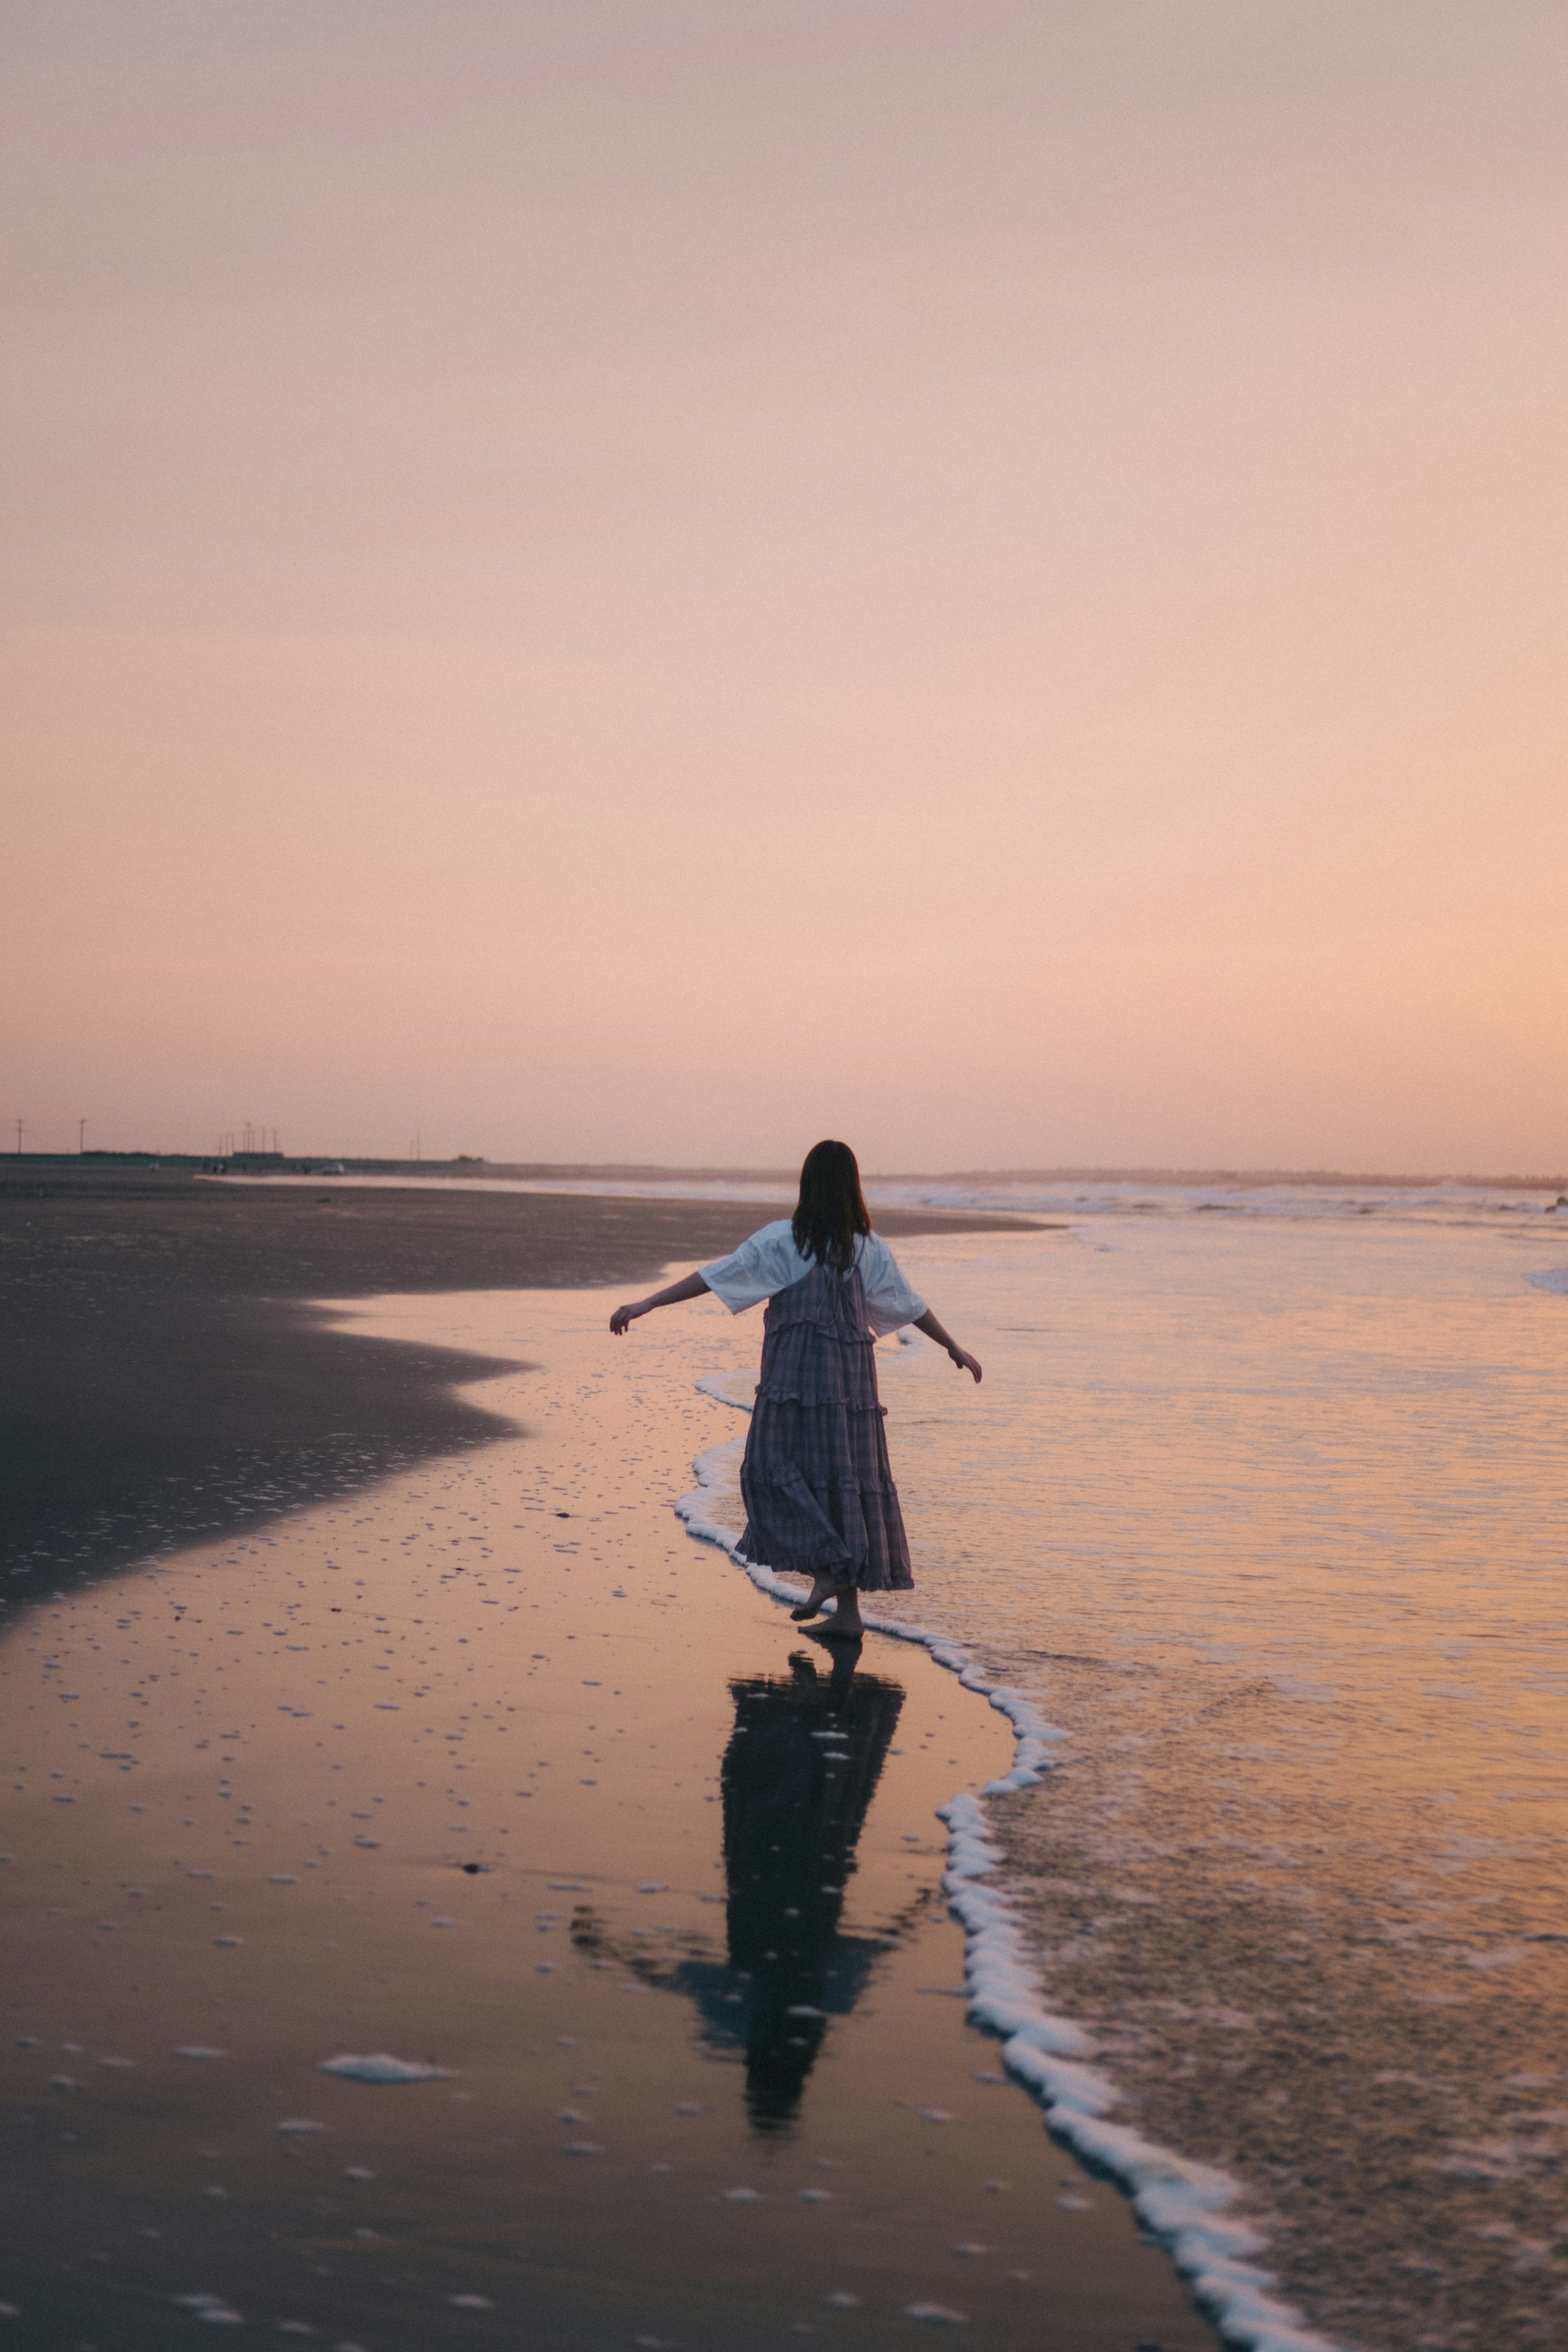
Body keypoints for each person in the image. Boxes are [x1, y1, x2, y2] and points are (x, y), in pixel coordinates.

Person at [608, 1140, 982, 1637]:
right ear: (854, 1187)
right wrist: (953, 1347)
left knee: (767, 1469)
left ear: (807, 1185)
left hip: (795, 1378)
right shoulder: (866, 1247)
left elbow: (715, 1276)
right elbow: (911, 1305)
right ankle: (847, 1616)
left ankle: (829, 1577)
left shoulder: (786, 1241)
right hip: (851, 1385)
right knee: (841, 1482)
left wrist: (648, 1303)